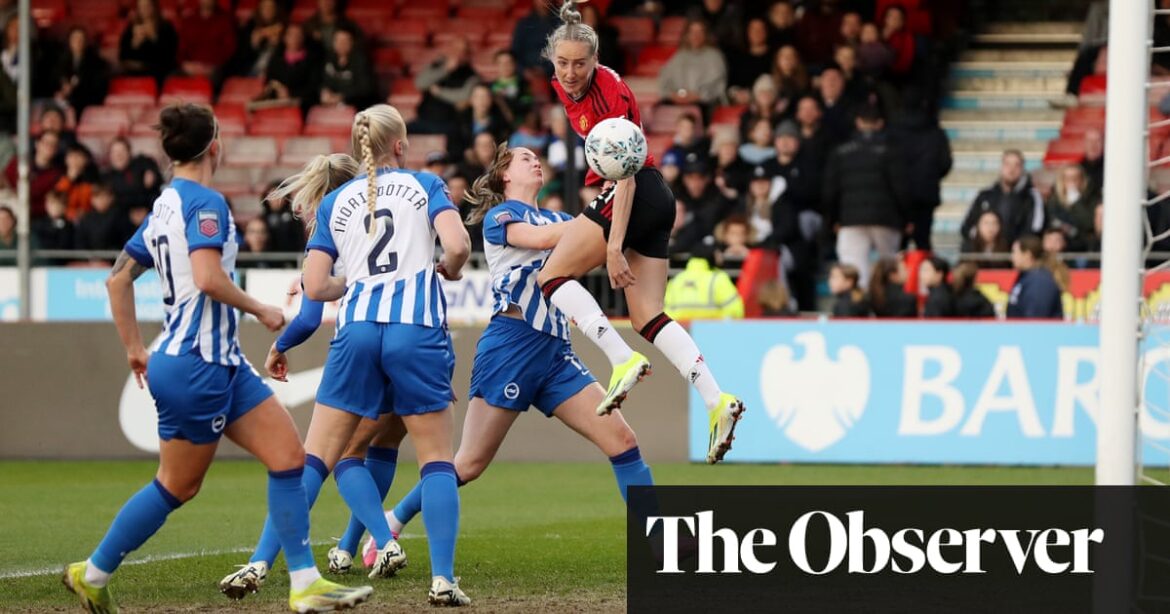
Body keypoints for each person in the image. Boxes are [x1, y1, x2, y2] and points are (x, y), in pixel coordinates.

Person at [61, 103, 372, 614]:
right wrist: (261, 309)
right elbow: (206, 277)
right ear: (215, 146)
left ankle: (305, 583)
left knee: (289, 458)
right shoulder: (205, 203)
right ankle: (92, 573)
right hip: (197, 365)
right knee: (177, 485)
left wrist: (134, 349)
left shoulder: (163, 205)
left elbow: (118, 278)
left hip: (218, 363)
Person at [223, 105, 473, 606]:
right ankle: (442, 580)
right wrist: (446, 267)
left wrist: (354, 282)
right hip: (416, 331)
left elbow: (316, 286)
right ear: (400, 145)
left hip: (357, 330)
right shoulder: (425, 185)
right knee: (436, 462)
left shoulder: (336, 200)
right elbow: (460, 245)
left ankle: (260, 561)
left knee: (314, 460)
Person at [379, 143, 658, 565]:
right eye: (524, 157)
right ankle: (394, 519)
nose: (535, 160)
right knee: (469, 464)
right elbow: (545, 239)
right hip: (510, 344)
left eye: (535, 157)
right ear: (505, 174)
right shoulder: (501, 217)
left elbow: (590, 245)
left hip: (554, 349)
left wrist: (623, 204)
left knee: (623, 440)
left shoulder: (561, 219)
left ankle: (663, 540)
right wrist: (597, 214)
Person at [535, 0, 745, 464]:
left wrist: (613, 247)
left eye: (579, 64)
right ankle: (717, 401)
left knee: (550, 278)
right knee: (649, 315)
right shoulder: (564, 87)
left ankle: (619, 358)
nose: (570, 72)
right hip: (652, 198)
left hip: (637, 190)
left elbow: (626, 172)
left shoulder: (611, 90)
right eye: (563, 63)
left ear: (596, 60)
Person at [218, 153, 412, 582]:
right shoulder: (391, 210)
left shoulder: (332, 222)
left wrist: (279, 345)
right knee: (380, 448)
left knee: (320, 458)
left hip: (362, 343)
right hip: (413, 341)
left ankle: (262, 561)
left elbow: (307, 317)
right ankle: (351, 546)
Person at [823, 104, 909, 287]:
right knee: (889, 269)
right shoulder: (892, 151)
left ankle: (856, 309)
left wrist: (833, 219)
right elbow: (901, 188)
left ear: (858, 123)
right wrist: (906, 218)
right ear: (880, 124)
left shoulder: (841, 152)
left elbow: (830, 191)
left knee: (852, 270)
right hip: (886, 219)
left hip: (850, 220)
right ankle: (888, 307)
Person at [960, 149, 1044, 247]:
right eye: (1007, 164)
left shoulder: (1032, 197)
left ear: (1022, 169)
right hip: (985, 252)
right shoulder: (985, 195)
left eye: (1016, 165)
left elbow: (1035, 229)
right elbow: (967, 227)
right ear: (1001, 167)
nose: (1011, 170)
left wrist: (1017, 246)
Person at [664, 241, 745, 320]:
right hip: (711, 330)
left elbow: (665, 310)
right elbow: (735, 311)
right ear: (712, 255)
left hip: (679, 330)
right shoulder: (719, 278)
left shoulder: (676, 279)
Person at [658, 18, 727, 107]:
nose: (696, 36)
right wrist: (673, 95)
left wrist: (698, 96)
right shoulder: (679, 56)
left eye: (700, 32)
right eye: (692, 32)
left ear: (706, 35)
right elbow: (665, 80)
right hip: (677, 101)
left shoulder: (715, 56)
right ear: (687, 35)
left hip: (704, 104)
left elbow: (719, 87)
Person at [118, 0, 178, 85]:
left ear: (154, 7)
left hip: (158, 70)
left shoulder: (166, 26)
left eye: (147, 6)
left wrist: (153, 37)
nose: (144, 10)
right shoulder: (131, 27)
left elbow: (169, 56)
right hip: (135, 69)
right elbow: (123, 55)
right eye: (141, 7)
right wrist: (135, 43)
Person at [52, 26, 110, 114]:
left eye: (81, 39)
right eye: (75, 39)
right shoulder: (60, 61)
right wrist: (63, 89)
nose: (78, 42)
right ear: (69, 41)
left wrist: (75, 88)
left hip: (86, 104)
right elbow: (55, 79)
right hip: (63, 103)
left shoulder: (96, 62)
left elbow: (97, 88)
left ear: (85, 42)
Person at [1006, 235, 1064, 319]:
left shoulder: (1040, 282)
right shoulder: (1025, 277)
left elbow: (1036, 319)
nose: (1012, 257)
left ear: (1027, 255)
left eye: (1015, 252)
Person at [319, 27, 375, 109]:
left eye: (345, 41)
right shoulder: (328, 59)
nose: (341, 44)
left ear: (352, 43)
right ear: (333, 43)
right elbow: (323, 81)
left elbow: (365, 89)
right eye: (338, 40)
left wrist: (340, 97)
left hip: (357, 107)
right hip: (331, 105)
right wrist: (325, 91)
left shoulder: (361, 61)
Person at [1045, 164, 1097, 251]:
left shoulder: (1091, 199)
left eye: (1075, 178)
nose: (1071, 182)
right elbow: (1052, 222)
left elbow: (1089, 224)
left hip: (1083, 246)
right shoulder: (1054, 200)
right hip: (1059, 245)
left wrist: (1077, 203)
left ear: (1082, 180)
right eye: (1068, 178)